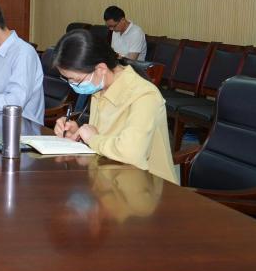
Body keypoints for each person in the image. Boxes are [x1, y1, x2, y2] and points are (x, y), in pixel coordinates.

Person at [53, 29, 177, 183]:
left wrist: (92, 138)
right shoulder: (100, 88)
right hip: (109, 179)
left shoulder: (144, 95)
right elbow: (104, 138)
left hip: (145, 187)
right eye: (67, 80)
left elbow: (131, 153)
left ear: (101, 69)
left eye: (76, 80)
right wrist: (78, 134)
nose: (72, 85)